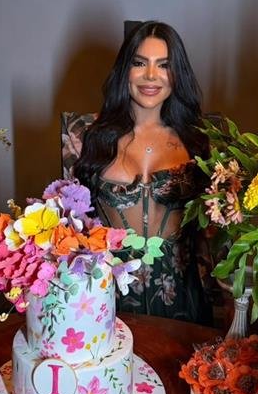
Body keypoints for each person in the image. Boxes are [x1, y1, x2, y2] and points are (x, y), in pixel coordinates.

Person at [73, 20, 212, 324]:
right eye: (139, 63)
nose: (151, 75)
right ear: (125, 70)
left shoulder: (198, 142)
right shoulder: (88, 137)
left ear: (177, 74)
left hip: (182, 304)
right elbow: (69, 222)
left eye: (164, 65)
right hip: (105, 302)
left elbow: (213, 233)